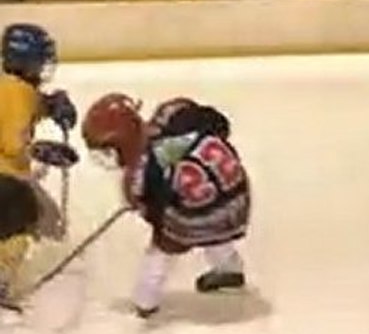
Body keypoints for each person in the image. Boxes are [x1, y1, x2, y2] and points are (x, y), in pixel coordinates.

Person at [81, 94, 250, 318]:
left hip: (199, 216)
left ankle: (146, 301)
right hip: (238, 198)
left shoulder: (137, 177)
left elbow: (156, 216)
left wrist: (150, 208)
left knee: (163, 246)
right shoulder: (173, 113)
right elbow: (216, 123)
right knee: (210, 217)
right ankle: (230, 269)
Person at [0, 24, 76, 309]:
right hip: (6, 178)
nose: (45, 67)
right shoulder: (17, 92)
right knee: (32, 221)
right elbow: (13, 143)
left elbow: (25, 106)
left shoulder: (11, 87)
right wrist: (43, 152)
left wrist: (49, 105)